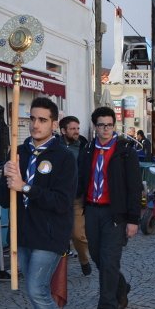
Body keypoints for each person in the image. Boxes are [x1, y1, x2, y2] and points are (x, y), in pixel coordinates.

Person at [0, 97, 76, 309]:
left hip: (50, 234)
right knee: (35, 293)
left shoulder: (63, 157)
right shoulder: (18, 152)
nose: (35, 124)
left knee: (36, 289)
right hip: (24, 233)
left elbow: (62, 201)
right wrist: (5, 177)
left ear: (54, 124)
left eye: (42, 120)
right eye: (32, 119)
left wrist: (26, 187)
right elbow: (4, 200)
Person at [78, 106, 142, 309]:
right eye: (101, 125)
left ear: (114, 126)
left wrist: (133, 220)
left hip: (115, 214)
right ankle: (121, 287)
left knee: (109, 261)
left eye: (109, 125)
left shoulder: (125, 151)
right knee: (98, 258)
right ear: (95, 127)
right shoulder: (87, 150)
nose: (105, 129)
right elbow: (80, 180)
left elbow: (134, 188)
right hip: (93, 211)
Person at [59, 115, 91, 276]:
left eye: (77, 128)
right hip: (58, 198)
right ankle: (55, 270)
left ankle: (84, 260)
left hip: (77, 197)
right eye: (72, 129)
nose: (76, 131)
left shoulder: (85, 146)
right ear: (63, 130)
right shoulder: (55, 147)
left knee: (78, 234)